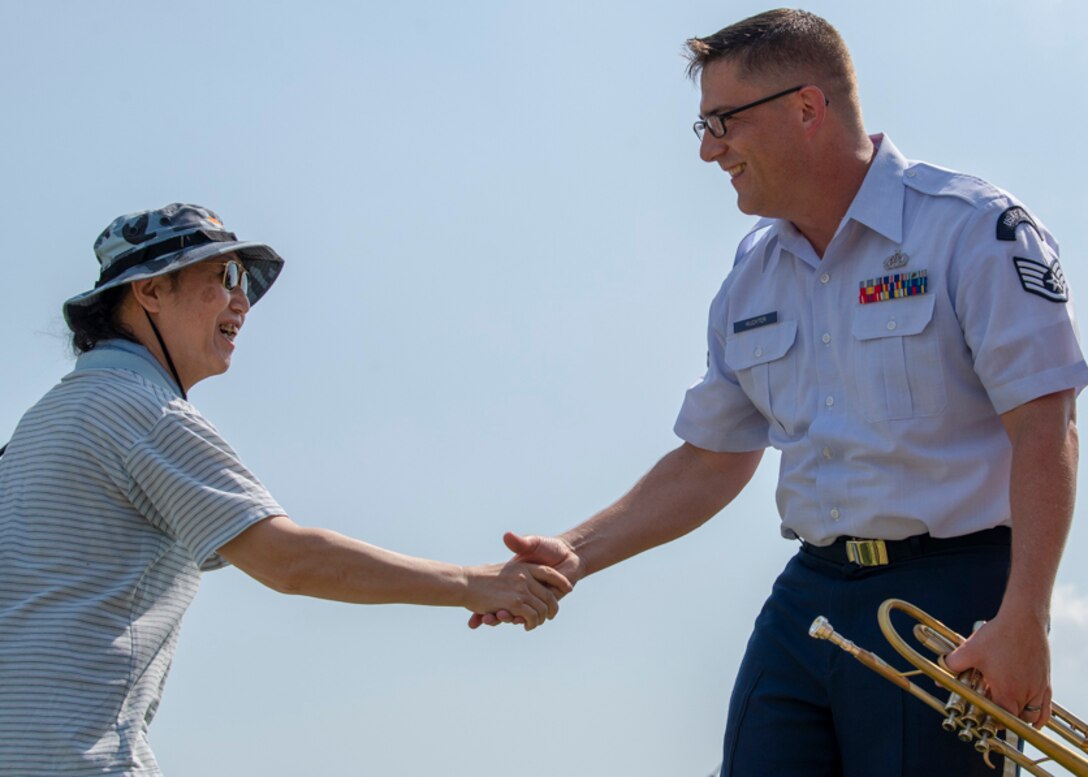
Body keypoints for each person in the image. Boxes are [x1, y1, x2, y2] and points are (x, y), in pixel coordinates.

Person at [469, 9, 1086, 775]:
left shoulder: (972, 229)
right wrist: (572, 553)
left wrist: (1025, 614)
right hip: (812, 594)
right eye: (701, 126)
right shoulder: (750, 275)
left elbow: (1045, 425)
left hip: (949, 598)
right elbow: (712, 457)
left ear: (806, 108)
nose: (707, 150)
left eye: (723, 121)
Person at [0, 203, 571, 776]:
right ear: (149, 292)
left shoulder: (40, 425)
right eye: (223, 278)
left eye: (244, 283)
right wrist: (475, 584)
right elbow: (290, 561)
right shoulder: (145, 412)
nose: (242, 302)